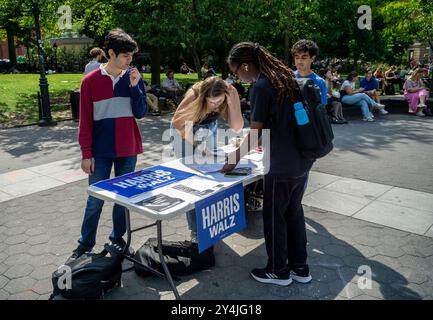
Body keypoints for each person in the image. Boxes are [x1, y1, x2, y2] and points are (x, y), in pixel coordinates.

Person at [222, 41, 314, 286]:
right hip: (302, 159)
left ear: (244, 66)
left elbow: (254, 133)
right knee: (294, 213)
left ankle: (278, 270)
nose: (238, 77)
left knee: (274, 217)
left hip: (281, 164)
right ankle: (301, 268)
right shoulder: (284, 77)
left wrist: (234, 159)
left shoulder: (261, 87)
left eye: (236, 72)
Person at [71, 28, 147, 260]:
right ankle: (85, 245)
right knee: (95, 200)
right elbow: (85, 121)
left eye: (132, 56)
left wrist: (136, 88)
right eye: (126, 56)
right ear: (111, 53)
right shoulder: (90, 82)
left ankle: (117, 239)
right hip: (100, 152)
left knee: (122, 200)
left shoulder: (133, 78)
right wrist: (86, 153)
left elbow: (140, 113)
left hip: (128, 149)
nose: (130, 60)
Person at [171, 76, 244, 242]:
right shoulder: (194, 95)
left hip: (208, 127)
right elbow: (178, 123)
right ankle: (196, 232)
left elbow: (237, 127)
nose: (215, 106)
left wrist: (233, 102)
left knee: (212, 176)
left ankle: (209, 225)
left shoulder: (229, 96)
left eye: (219, 102)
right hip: (185, 129)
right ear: (203, 97)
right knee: (193, 179)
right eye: (211, 102)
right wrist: (197, 145)